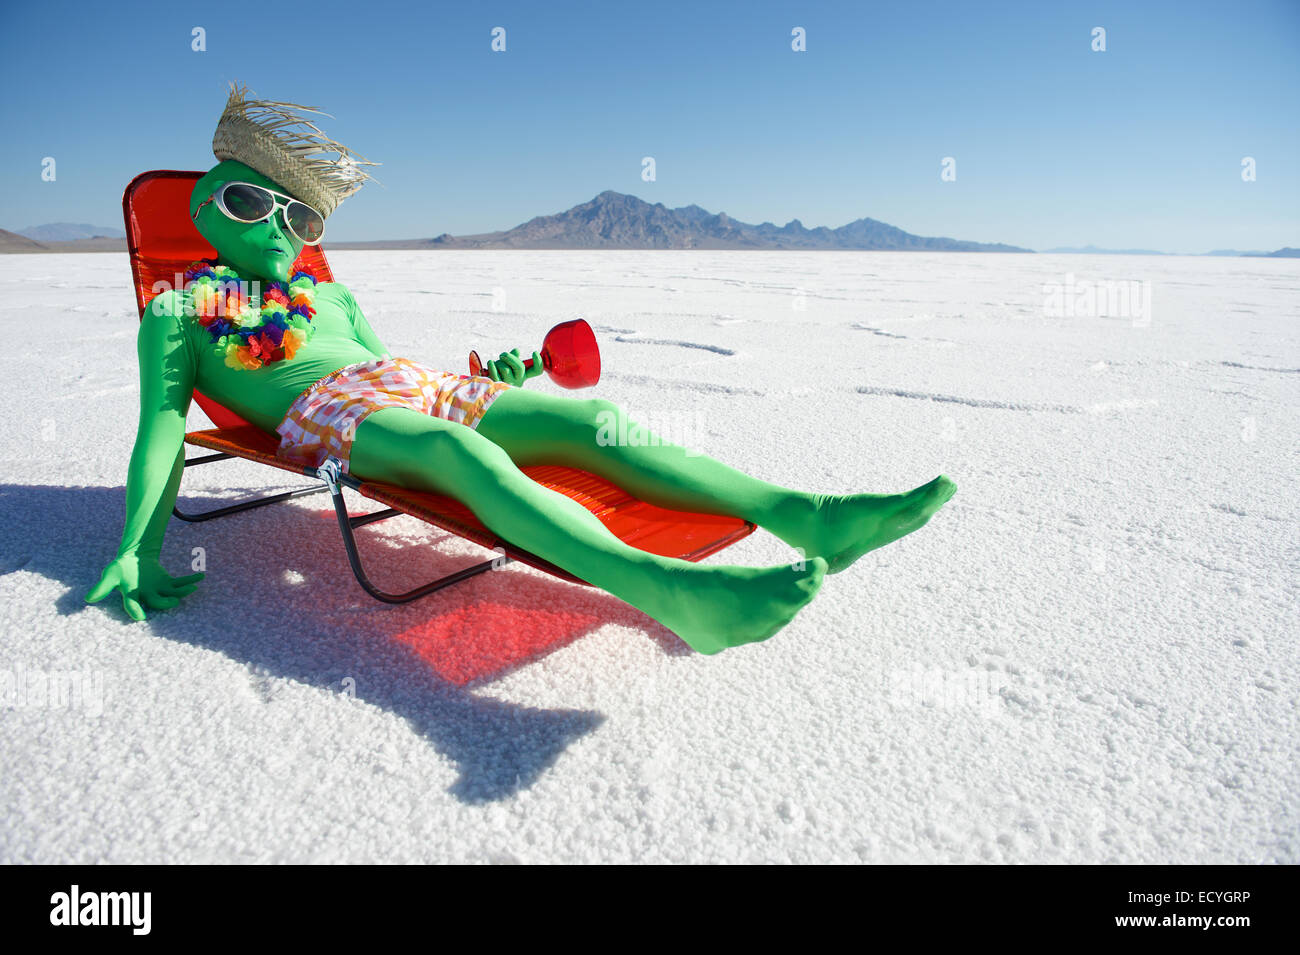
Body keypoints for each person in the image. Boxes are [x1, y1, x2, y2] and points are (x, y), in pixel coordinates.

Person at [87, 84, 956, 655]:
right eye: (248, 203)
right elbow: (162, 425)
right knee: (460, 459)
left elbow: (386, 362)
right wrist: (137, 542)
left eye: (300, 218)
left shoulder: (335, 298)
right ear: (205, 209)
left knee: (590, 424)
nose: (278, 228)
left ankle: (808, 514)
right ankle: (671, 592)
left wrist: (485, 378)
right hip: (323, 413)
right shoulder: (181, 311)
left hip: (404, 384)